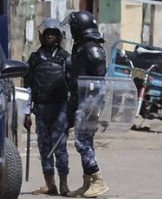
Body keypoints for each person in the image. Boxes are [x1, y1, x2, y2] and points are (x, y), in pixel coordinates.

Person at [63, 11, 109, 198]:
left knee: (82, 141)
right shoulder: (82, 47)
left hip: (90, 101)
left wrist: (89, 103)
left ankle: (98, 179)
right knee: (86, 141)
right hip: (81, 99)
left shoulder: (92, 48)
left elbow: (97, 77)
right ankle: (87, 183)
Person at [23, 18, 71, 196]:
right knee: (44, 147)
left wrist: (70, 112)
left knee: (60, 148)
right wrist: (26, 113)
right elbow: (28, 87)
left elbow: (72, 85)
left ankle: (64, 185)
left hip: (60, 109)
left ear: (59, 36)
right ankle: (50, 185)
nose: (50, 37)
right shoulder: (35, 59)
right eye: (47, 34)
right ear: (42, 36)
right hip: (41, 110)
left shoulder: (65, 58)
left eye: (54, 34)